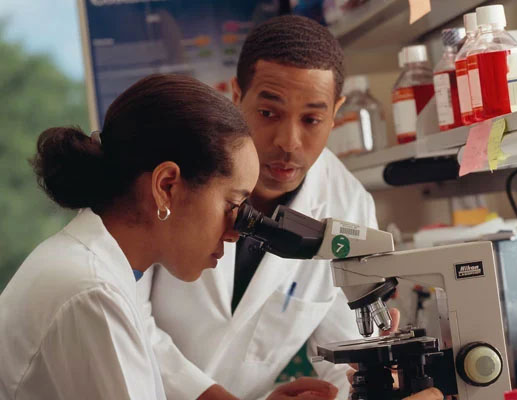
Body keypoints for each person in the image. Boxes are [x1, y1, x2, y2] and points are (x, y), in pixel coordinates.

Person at [142, 15, 443, 400]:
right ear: (237, 96)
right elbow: (125, 316)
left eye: (312, 119)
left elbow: (343, 357)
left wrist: (364, 380)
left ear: (336, 112)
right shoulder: (176, 174)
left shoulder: (348, 205)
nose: (289, 141)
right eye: (269, 113)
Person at [0, 74, 338, 400]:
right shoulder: (92, 293)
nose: (237, 232)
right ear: (166, 187)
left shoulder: (92, 266)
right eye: (232, 204)